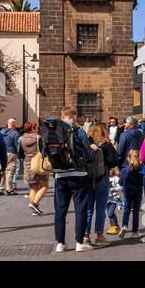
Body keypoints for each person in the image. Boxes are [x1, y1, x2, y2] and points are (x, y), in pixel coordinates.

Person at [49, 106, 101, 253]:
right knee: (81, 209)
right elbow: (88, 154)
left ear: (62, 117)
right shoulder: (78, 131)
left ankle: (60, 243)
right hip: (78, 175)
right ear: (73, 117)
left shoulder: (53, 131)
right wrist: (93, 150)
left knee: (60, 211)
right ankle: (79, 243)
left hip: (60, 175)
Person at [84, 122, 117, 246]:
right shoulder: (106, 145)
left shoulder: (86, 143)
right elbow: (113, 161)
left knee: (88, 210)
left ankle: (86, 236)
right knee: (100, 209)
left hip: (87, 180)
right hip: (102, 179)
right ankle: (99, 235)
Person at [21, 122, 48, 216]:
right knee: (44, 186)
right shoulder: (38, 138)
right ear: (32, 128)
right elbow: (43, 150)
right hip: (37, 163)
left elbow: (19, 152)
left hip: (27, 163)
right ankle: (34, 204)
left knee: (33, 187)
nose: (37, 129)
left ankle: (35, 209)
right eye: (36, 127)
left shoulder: (22, 138)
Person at [117, 148, 143, 239]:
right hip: (137, 193)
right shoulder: (141, 169)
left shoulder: (125, 170)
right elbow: (142, 182)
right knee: (136, 212)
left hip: (127, 193)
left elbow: (120, 182)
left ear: (128, 158)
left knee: (126, 210)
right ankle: (134, 231)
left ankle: (124, 226)